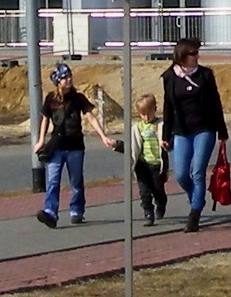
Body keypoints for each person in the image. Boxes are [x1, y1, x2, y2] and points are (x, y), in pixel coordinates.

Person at [158, 37, 229, 232]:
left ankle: (195, 213)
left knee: (198, 171)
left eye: (198, 52)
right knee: (181, 174)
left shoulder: (205, 75)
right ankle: (196, 197)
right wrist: (166, 134)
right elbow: (168, 107)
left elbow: (215, 103)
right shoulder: (169, 77)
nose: (197, 56)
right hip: (182, 131)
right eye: (193, 53)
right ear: (181, 56)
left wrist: (222, 131)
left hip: (204, 129)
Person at [33, 63, 112, 227]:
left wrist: (103, 136)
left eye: (69, 76)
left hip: (75, 147)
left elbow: (90, 116)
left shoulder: (78, 98)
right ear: (57, 81)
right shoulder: (50, 99)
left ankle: (77, 210)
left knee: (76, 181)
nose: (68, 79)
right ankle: (50, 212)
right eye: (64, 77)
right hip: (57, 146)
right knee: (53, 181)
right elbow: (45, 120)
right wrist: (41, 141)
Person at [127, 92, 168, 222]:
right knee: (144, 191)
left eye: (148, 114)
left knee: (157, 190)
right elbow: (133, 146)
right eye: (142, 115)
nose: (146, 117)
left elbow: (169, 141)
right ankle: (148, 212)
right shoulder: (137, 127)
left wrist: (166, 143)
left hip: (156, 165)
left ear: (155, 110)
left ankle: (161, 204)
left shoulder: (161, 124)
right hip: (142, 164)